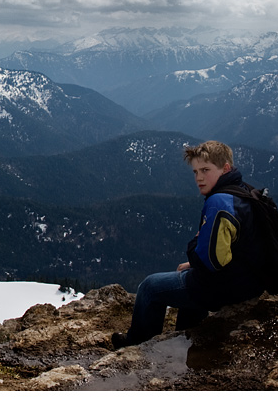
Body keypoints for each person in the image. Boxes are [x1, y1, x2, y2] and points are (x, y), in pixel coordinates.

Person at [111, 140, 267, 349]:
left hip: (228, 287)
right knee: (190, 279)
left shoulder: (219, 202)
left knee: (149, 287)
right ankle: (187, 336)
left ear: (225, 168)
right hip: (248, 281)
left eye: (205, 170)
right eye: (195, 172)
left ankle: (138, 344)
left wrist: (195, 247)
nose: (199, 178)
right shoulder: (243, 191)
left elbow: (213, 261)